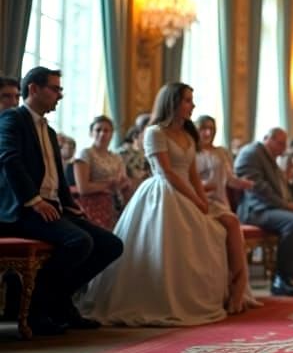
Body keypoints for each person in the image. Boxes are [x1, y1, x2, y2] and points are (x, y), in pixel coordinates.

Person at [80, 83, 233, 326]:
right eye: (187, 100)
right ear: (172, 103)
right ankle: (159, 299)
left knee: (212, 234)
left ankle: (202, 297)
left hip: (188, 192)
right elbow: (167, 172)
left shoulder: (187, 134)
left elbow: (192, 173)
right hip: (164, 193)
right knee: (164, 245)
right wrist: (193, 198)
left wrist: (202, 198)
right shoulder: (155, 133)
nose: (192, 105)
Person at [0, 67, 123, 335]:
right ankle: (38, 308)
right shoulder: (12, 119)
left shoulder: (50, 130)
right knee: (79, 242)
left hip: (53, 206)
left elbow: (55, 174)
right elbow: (10, 161)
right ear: (33, 89)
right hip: (24, 210)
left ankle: (59, 300)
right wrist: (33, 200)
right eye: (55, 89)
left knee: (111, 245)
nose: (60, 95)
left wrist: (70, 205)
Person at [234, 127, 293, 296]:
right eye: (280, 143)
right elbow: (259, 190)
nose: (283, 149)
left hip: (272, 208)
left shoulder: (270, 158)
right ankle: (281, 279)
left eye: (285, 144)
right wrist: (290, 207)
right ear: (266, 138)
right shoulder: (251, 153)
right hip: (255, 210)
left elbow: (281, 189)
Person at [195, 115, 262, 313]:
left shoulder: (221, 152)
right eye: (203, 128)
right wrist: (205, 188)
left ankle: (238, 289)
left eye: (211, 128)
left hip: (220, 203)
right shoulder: (190, 152)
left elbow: (230, 179)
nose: (208, 132)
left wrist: (246, 184)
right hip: (198, 202)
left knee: (233, 233)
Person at [72, 116, 131, 230]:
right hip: (93, 206)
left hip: (116, 203)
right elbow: (82, 188)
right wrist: (109, 184)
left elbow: (123, 181)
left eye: (106, 130)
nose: (102, 134)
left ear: (112, 134)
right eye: (98, 130)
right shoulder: (85, 154)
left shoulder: (116, 157)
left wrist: (124, 184)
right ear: (91, 133)